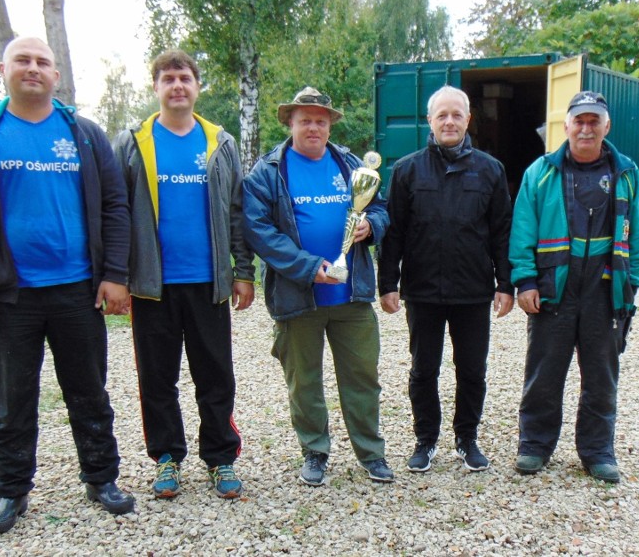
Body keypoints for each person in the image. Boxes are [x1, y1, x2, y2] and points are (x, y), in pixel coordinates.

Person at [0, 36, 135, 535]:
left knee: (89, 392)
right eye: (22, 60)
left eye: (42, 62)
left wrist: (114, 274)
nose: (33, 69)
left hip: (78, 290)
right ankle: (10, 490)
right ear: (2, 68)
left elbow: (115, 207)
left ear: (56, 75)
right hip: (8, 295)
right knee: (9, 399)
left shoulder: (84, 135)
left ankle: (101, 477)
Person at [113, 50, 255, 500]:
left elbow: (238, 212)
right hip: (152, 285)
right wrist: (115, 275)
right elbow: (115, 214)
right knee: (157, 377)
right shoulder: (134, 142)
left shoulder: (220, 143)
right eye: (168, 79)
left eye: (185, 78)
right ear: (155, 87)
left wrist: (243, 270)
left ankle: (220, 459)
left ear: (197, 86)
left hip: (208, 282)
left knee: (215, 375)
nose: (177, 86)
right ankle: (167, 458)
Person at [243, 87, 394, 486]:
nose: (313, 126)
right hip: (298, 296)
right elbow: (259, 231)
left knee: (363, 377)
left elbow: (380, 207)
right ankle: (315, 450)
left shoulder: (350, 164)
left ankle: (371, 453)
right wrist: (309, 267)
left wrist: (371, 225)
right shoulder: (268, 171)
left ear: (329, 126)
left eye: (321, 120)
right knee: (304, 381)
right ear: (290, 122)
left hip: (352, 296)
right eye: (305, 119)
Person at [509, 91, 639, 483]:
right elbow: (522, 230)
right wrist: (524, 280)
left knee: (602, 376)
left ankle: (597, 450)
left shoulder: (626, 173)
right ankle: (534, 445)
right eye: (579, 121)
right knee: (543, 372)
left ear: (607, 126)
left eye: (594, 121)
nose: (586, 128)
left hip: (605, 289)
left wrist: (634, 283)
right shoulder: (540, 172)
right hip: (554, 287)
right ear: (567, 125)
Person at [378, 85, 514, 474]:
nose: (449, 121)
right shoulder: (406, 170)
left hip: (473, 290)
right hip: (423, 291)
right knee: (424, 369)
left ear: (468, 119)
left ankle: (467, 438)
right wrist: (388, 283)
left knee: (472, 369)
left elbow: (501, 232)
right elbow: (395, 232)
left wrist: (505, 284)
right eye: (442, 115)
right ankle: (426, 439)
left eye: (457, 115)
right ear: (430, 121)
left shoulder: (490, 170)